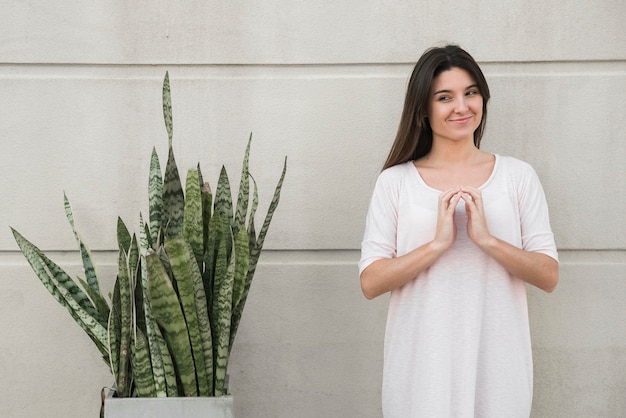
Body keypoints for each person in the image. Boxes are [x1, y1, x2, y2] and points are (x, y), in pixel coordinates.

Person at [358, 45, 559, 417]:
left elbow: (548, 275)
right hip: (420, 373)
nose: (462, 107)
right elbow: (371, 282)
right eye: (444, 97)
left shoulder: (518, 176)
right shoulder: (395, 182)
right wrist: (436, 246)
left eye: (471, 93)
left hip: (499, 370)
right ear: (423, 109)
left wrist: (487, 241)